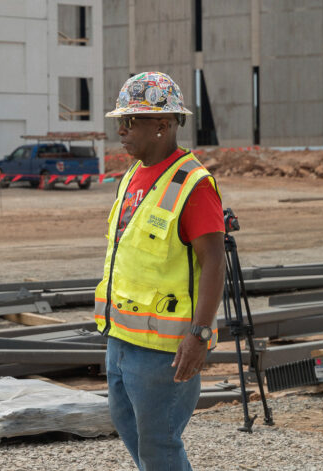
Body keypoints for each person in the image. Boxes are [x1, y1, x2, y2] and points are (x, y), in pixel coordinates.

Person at [94, 71, 225, 471]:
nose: (120, 130)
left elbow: (215, 261)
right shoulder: (133, 174)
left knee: (159, 445)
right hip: (121, 338)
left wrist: (199, 336)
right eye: (121, 121)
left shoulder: (193, 184)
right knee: (133, 433)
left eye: (130, 121)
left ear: (163, 126)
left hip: (164, 351)